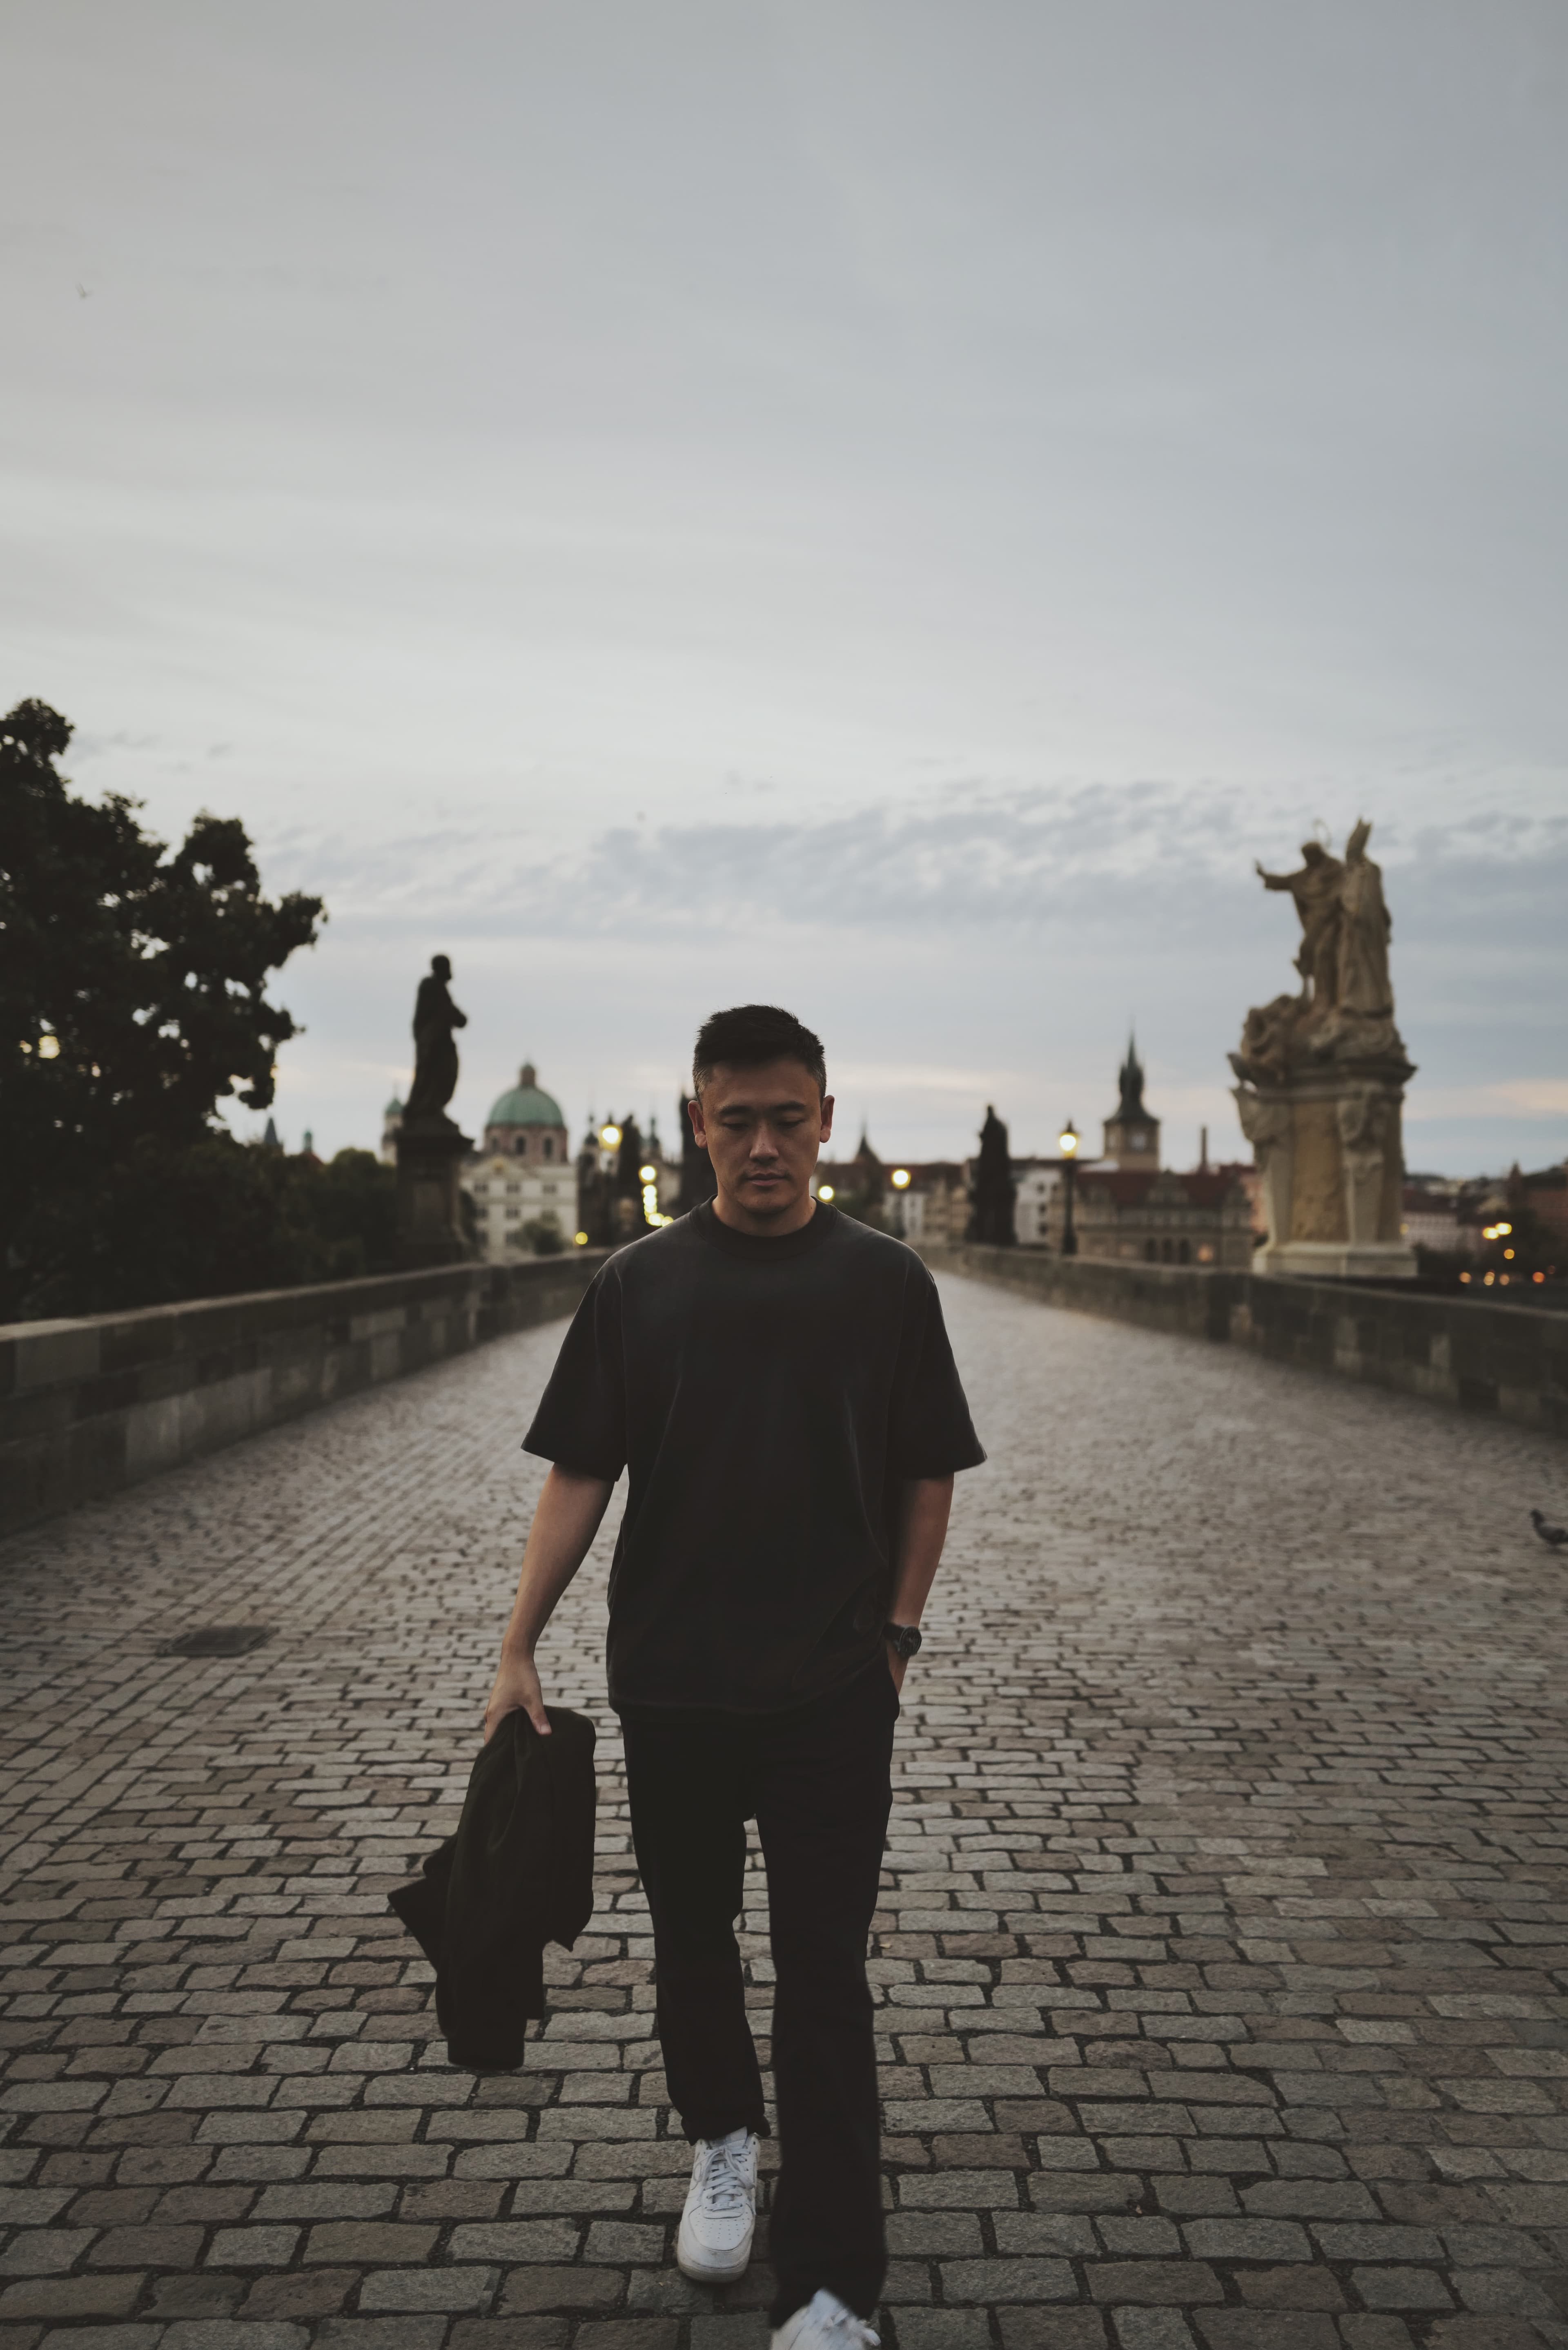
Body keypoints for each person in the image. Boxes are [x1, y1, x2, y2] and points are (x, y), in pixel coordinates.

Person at [483, 1004, 984, 2350]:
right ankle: (719, 2138)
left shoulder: (888, 1283)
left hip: (832, 1689)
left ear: (825, 1116)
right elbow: (580, 1471)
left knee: (825, 1973)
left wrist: (896, 1636)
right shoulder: (638, 1284)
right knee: (694, 1947)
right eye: (735, 1119)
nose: (763, 1144)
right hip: (676, 1686)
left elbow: (926, 1469)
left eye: (787, 1117)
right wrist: (521, 1636)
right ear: (695, 1120)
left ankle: (835, 2284)